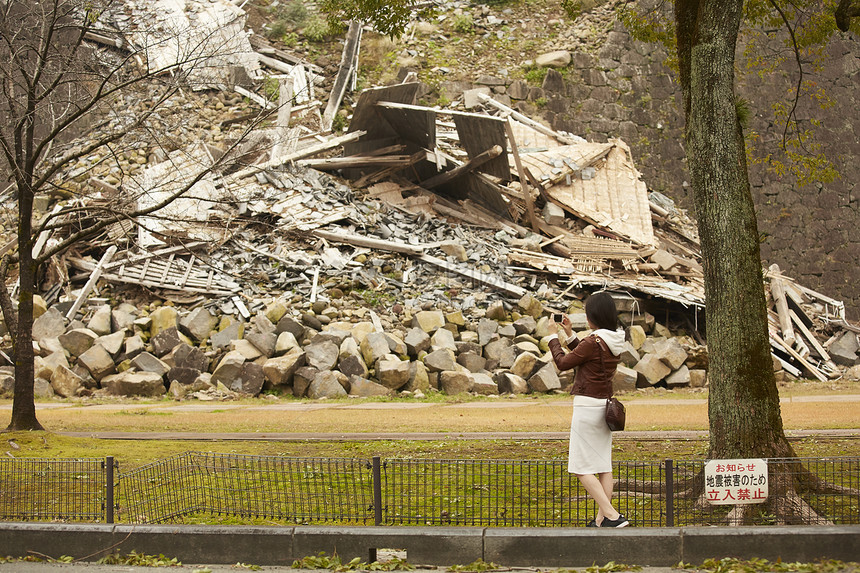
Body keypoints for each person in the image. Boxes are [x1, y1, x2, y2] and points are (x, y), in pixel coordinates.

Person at [548, 292, 629, 528]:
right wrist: (570, 334)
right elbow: (585, 356)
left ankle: (613, 515)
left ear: (593, 316)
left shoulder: (594, 341)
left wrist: (553, 336)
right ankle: (601, 520)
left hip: (586, 408)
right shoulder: (612, 339)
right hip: (603, 407)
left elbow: (564, 363)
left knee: (580, 468)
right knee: (603, 466)